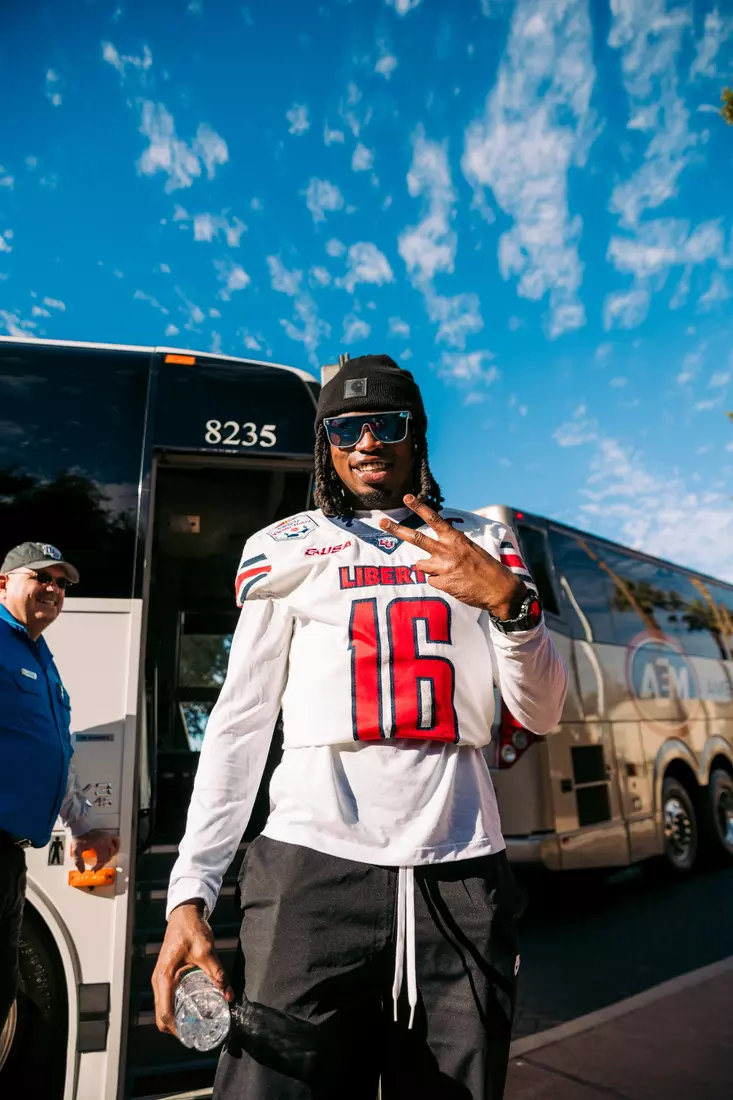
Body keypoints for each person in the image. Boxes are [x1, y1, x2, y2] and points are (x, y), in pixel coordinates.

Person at [152, 355, 568, 1099]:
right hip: (311, 867)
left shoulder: (484, 544)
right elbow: (239, 727)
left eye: (386, 423)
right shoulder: (283, 546)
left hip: (461, 864)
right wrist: (191, 892)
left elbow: (541, 712)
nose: (367, 440)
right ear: (327, 445)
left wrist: (513, 606)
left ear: (417, 435)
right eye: (346, 428)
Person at [0, 542, 120, 1034]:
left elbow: (56, 756)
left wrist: (82, 825)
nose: (53, 588)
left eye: (61, 582)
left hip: (9, 858)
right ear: (3, 583)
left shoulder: (40, 655)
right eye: (40, 577)